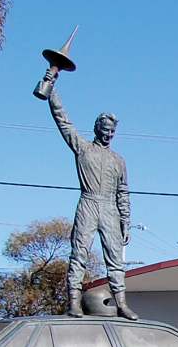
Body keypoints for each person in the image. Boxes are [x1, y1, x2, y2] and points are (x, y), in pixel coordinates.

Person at [44, 71, 137, 320]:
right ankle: (73, 303)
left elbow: (123, 192)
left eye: (112, 132)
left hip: (110, 209)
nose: (108, 135)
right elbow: (63, 121)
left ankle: (122, 304)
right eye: (105, 129)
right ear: (97, 128)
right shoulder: (83, 148)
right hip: (88, 202)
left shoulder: (119, 160)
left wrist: (125, 222)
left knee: (116, 260)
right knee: (79, 254)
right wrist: (51, 88)